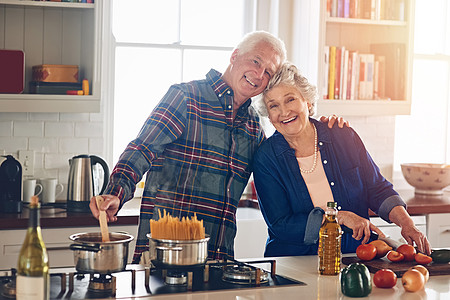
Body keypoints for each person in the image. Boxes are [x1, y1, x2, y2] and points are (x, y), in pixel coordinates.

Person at [90, 31, 347, 264]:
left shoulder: (254, 127)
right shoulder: (186, 97)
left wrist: (321, 128)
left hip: (218, 258)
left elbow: (285, 159)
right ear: (235, 56)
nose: (259, 74)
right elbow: (142, 148)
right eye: (256, 61)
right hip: (166, 252)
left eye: (268, 72)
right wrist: (116, 191)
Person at [252, 62, 431, 258]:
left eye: (290, 100)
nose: (284, 112)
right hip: (295, 262)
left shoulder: (342, 136)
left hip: (353, 256)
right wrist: (339, 217)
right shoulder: (266, 157)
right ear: (269, 116)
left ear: (308, 102)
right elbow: (281, 225)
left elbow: (377, 188)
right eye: (274, 106)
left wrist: (407, 224)